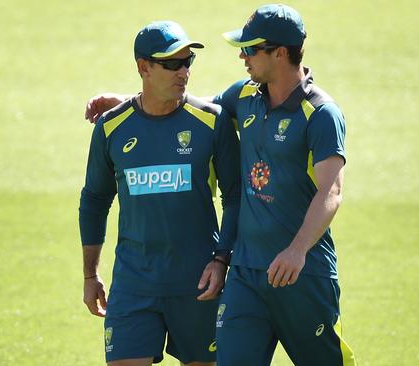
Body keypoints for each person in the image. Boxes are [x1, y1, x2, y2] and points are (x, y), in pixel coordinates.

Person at [85, 5, 356, 365]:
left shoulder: (321, 114)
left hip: (301, 274)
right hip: (245, 275)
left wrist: (297, 249)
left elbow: (331, 192)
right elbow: (187, 107)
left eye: (250, 49)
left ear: (279, 53)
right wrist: (127, 101)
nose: (242, 57)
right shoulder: (243, 96)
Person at [79, 20, 240, 366]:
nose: (183, 72)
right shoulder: (111, 128)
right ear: (143, 67)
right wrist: (90, 275)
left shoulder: (213, 122)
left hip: (198, 284)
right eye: (171, 64)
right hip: (134, 286)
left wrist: (222, 258)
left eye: (187, 62)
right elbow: (94, 200)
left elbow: (236, 196)